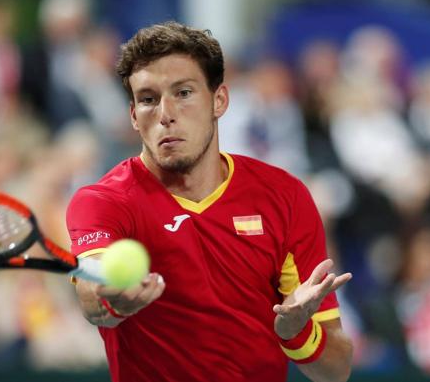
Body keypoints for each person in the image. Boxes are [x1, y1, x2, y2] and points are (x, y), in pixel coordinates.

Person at [66, 21, 353, 382]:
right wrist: (114, 297)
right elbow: (93, 297)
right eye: (148, 99)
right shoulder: (103, 202)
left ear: (219, 101)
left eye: (183, 93)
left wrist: (296, 331)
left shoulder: (285, 196)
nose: (165, 114)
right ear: (134, 118)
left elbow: (337, 370)